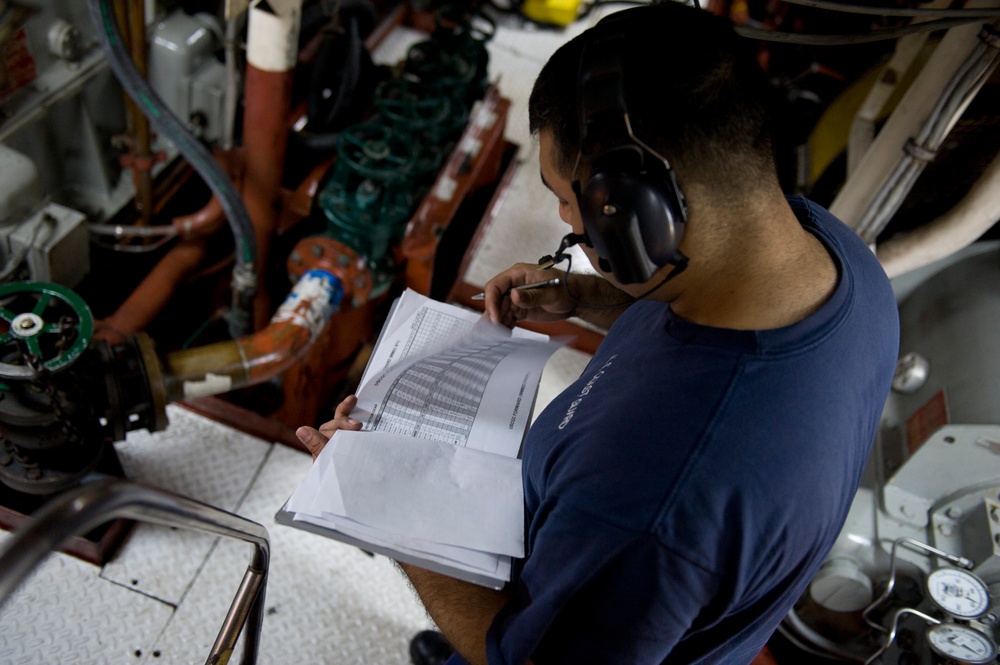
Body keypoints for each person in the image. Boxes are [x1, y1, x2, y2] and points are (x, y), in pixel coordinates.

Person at [295, 2, 900, 664]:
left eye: (564, 196)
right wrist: (586, 294)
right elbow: (707, 349)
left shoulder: (648, 502)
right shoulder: (834, 256)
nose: (560, 216)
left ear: (640, 215)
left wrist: (387, 506)